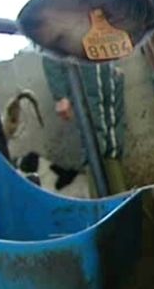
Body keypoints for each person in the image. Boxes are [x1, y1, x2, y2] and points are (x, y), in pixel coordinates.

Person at [42, 56, 127, 196]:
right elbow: (50, 52)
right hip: (86, 77)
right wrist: (60, 95)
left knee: (114, 139)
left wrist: (112, 65)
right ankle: (101, 200)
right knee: (93, 139)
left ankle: (119, 194)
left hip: (106, 76)